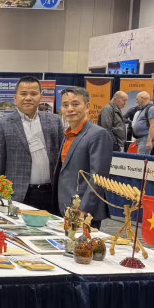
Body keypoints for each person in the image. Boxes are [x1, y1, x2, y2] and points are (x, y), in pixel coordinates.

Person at [0, 76, 63, 214]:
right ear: (15, 97)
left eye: (34, 94)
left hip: (52, 195)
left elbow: (62, 159)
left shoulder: (55, 121)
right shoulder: (3, 124)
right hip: (20, 195)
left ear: (40, 96)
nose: (28, 98)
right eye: (23, 94)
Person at [55, 87, 112, 227]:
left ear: (87, 107)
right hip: (65, 207)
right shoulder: (67, 134)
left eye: (75, 104)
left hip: (83, 212)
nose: (69, 109)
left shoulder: (98, 134)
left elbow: (98, 177)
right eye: (65, 105)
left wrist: (83, 209)